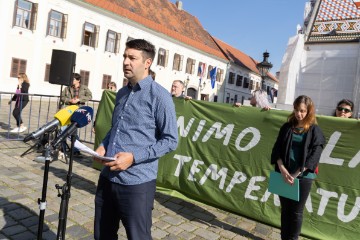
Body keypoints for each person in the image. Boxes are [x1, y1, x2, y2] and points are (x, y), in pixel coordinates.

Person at [93, 39, 178, 240]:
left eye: (132, 58)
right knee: (102, 235)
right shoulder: (121, 93)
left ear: (147, 63)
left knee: (138, 236)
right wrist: (103, 146)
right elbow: (116, 128)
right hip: (107, 178)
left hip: (137, 183)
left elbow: (170, 140)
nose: (126, 62)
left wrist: (133, 157)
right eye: (125, 56)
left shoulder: (160, 96)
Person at [271, 95, 326, 240]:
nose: (299, 114)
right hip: (283, 174)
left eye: (302, 111)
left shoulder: (315, 131)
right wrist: (283, 170)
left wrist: (294, 175)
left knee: (296, 212)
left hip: (302, 178)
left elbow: (314, 156)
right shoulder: (287, 127)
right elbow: (277, 150)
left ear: (309, 111)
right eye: (296, 110)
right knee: (285, 211)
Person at [60, 73, 92, 156]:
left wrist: (79, 100)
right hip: (67, 111)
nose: (72, 80)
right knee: (62, 130)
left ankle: (75, 150)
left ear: (78, 80)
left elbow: (90, 96)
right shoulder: (67, 88)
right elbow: (62, 97)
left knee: (73, 132)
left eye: (73, 79)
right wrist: (69, 100)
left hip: (78, 111)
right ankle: (62, 148)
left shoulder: (84, 88)